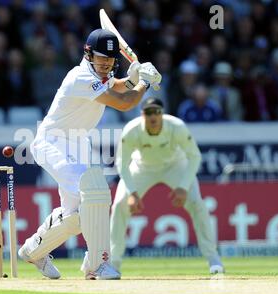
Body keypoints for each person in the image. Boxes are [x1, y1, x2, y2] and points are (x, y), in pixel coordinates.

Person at [18, 29, 162, 280]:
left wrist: (132, 78)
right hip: (52, 141)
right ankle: (97, 264)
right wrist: (144, 83)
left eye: (110, 59)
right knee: (94, 193)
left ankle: (33, 250)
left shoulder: (98, 74)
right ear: (88, 54)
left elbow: (117, 86)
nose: (106, 63)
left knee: (74, 214)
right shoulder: (81, 76)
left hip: (77, 142)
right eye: (101, 58)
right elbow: (124, 102)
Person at [110, 97, 224, 275]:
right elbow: (122, 164)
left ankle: (213, 259)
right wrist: (132, 193)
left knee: (197, 204)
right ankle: (114, 263)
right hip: (142, 168)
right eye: (148, 112)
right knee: (119, 205)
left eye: (156, 112)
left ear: (162, 114)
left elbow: (194, 156)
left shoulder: (176, 126)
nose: (153, 116)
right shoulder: (131, 130)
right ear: (142, 115)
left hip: (175, 166)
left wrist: (183, 187)